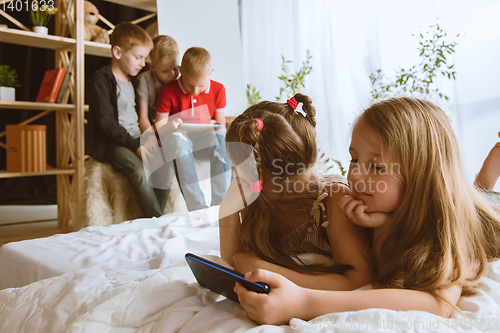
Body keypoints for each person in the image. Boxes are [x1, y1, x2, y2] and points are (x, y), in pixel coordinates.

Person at [233, 97, 500, 325]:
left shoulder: (444, 221)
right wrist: (384, 225)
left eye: (378, 167)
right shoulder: (368, 209)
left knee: (482, 204)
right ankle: (485, 180)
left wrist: (304, 302)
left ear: (422, 177)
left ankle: (486, 180)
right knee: (479, 194)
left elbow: (438, 303)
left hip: (487, 215)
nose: (356, 175)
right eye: (354, 159)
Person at [219, 93, 373, 292]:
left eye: (236, 168)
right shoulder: (256, 200)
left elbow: (359, 280)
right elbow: (235, 265)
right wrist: (226, 212)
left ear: (258, 175)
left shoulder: (333, 201)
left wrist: (267, 270)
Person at [86, 22, 169, 218]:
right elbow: (107, 124)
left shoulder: (135, 81)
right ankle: (156, 222)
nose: (142, 63)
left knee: (165, 167)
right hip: (113, 142)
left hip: (137, 136)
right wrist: (136, 146)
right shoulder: (100, 80)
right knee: (138, 171)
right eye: (138, 57)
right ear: (117, 52)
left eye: (144, 58)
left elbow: (142, 116)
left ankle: (153, 217)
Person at [155, 47, 230, 211]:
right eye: (190, 85)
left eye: (201, 86)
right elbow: (158, 125)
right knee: (177, 140)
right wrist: (170, 126)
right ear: (180, 71)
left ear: (211, 72)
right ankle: (197, 208)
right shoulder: (169, 90)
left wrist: (216, 130)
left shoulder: (218, 90)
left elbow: (220, 125)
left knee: (221, 141)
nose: (195, 91)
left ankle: (220, 205)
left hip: (204, 141)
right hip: (180, 142)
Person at [137, 35, 180, 133]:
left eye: (175, 69)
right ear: (152, 67)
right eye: (165, 71)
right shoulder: (144, 80)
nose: (172, 75)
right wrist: (152, 137)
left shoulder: (181, 80)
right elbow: (143, 118)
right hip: (150, 126)